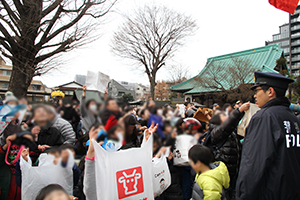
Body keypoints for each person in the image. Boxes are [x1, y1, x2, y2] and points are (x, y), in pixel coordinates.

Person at [236, 72, 300, 200]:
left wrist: (243, 195)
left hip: (270, 192)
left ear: (270, 91)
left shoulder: (264, 118)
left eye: (257, 90)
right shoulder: (294, 118)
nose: (255, 95)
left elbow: (253, 165)